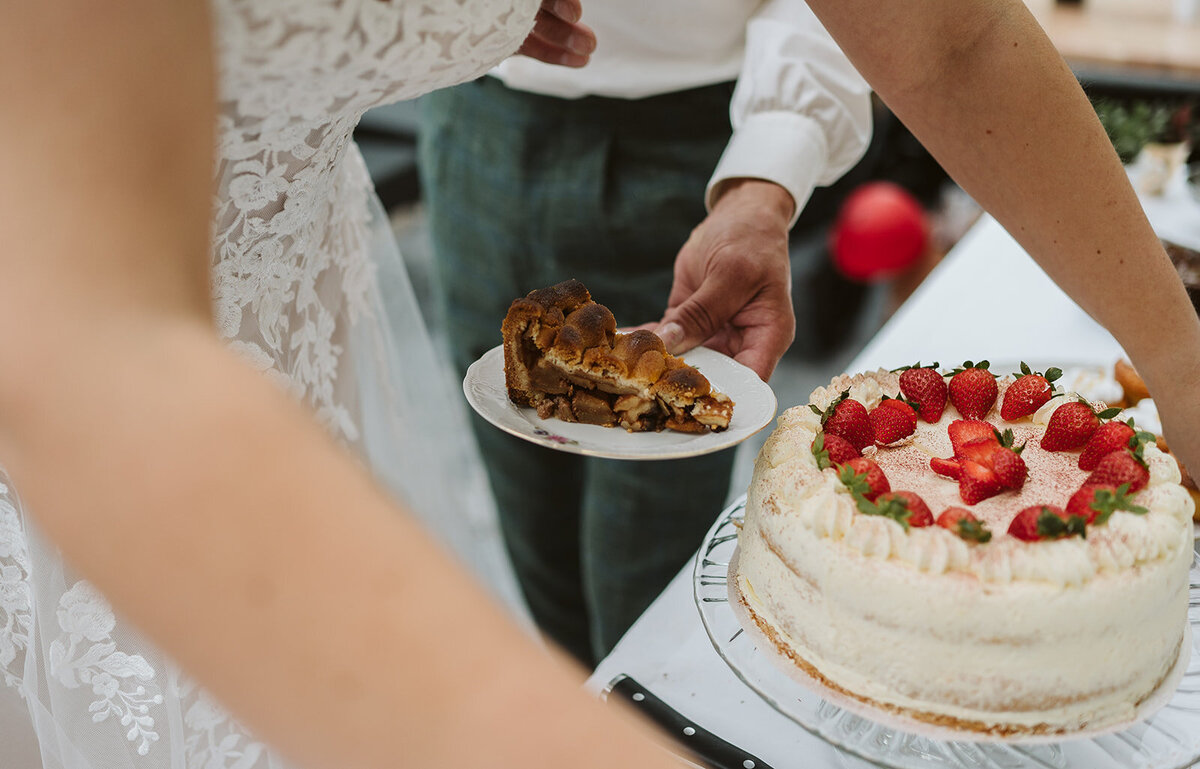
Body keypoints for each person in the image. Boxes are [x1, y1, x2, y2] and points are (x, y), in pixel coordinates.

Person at [2, 1, 1199, 769]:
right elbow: (81, 333)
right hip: (94, 404)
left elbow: (946, 37)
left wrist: (1184, 360)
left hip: (307, 344)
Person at [419, 0, 873, 666]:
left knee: (642, 593)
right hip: (470, 121)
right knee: (535, 545)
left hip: (686, 150)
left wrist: (767, 175)